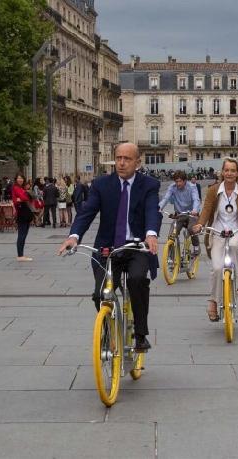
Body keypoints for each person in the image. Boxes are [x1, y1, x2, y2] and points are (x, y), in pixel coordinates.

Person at [58, 142, 161, 353]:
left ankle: (140, 335)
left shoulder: (149, 185)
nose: (121, 163)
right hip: (108, 249)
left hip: (136, 247)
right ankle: (106, 330)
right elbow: (87, 212)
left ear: (138, 162)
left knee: (137, 280)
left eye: (127, 159)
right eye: (119, 158)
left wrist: (151, 233)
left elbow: (152, 210)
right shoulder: (101, 185)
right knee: (100, 294)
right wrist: (74, 236)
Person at [192, 158, 238, 321]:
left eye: (233, 171)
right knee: (216, 268)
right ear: (222, 172)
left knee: (236, 244)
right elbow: (207, 209)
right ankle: (213, 302)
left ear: (237, 174)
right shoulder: (213, 190)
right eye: (227, 170)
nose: (229, 173)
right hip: (217, 232)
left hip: (237, 230)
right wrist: (200, 224)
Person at [158, 170, 202, 256]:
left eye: (180, 181)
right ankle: (171, 256)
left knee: (191, 228)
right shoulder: (172, 187)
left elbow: (196, 199)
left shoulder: (192, 187)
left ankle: (196, 247)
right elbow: (166, 198)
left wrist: (195, 210)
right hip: (180, 214)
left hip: (191, 213)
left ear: (185, 180)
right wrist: (159, 208)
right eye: (176, 181)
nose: (178, 184)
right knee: (172, 233)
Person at [11, 173, 34, 262]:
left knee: (24, 234)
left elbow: (30, 198)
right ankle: (20, 255)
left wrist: (23, 197)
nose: (20, 180)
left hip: (25, 211)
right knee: (21, 234)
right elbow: (24, 197)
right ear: (16, 179)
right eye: (18, 178)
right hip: (21, 212)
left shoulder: (21, 188)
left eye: (21, 178)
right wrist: (23, 197)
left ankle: (21, 254)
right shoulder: (16, 187)